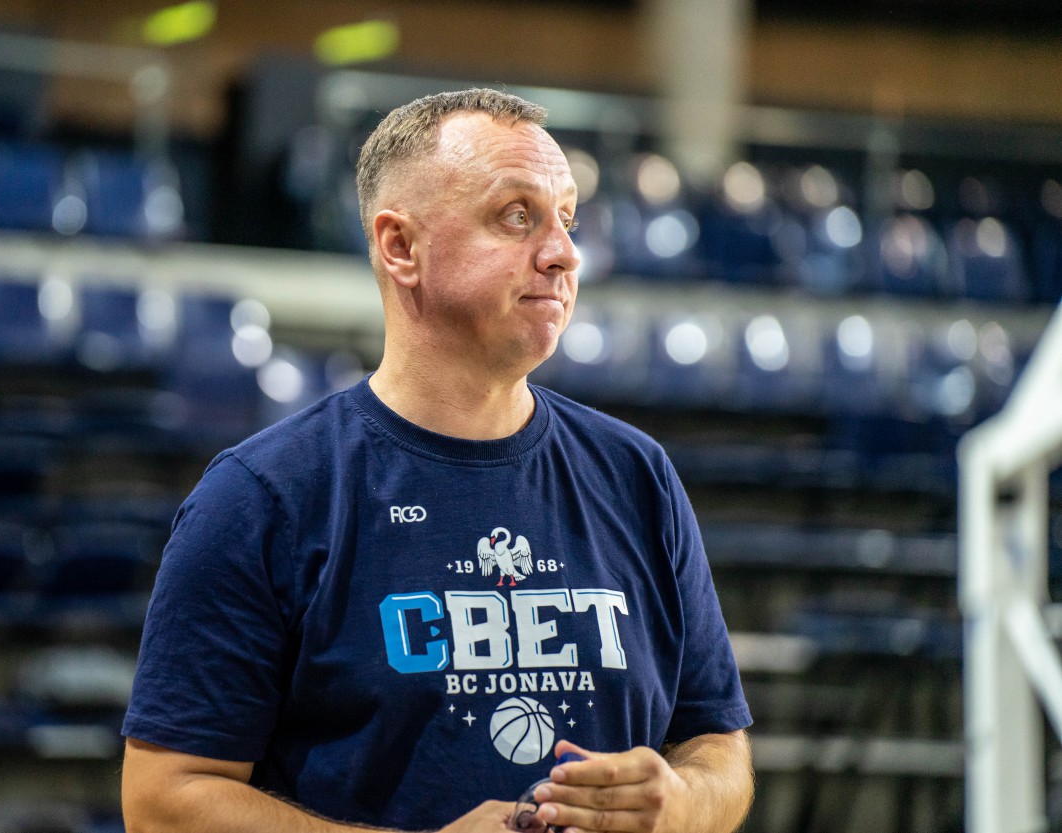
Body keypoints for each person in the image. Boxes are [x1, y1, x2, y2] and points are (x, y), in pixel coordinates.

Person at [121, 88, 754, 833]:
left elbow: (719, 748)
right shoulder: (263, 496)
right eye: (516, 215)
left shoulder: (638, 476)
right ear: (401, 247)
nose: (563, 251)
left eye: (567, 218)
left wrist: (682, 803)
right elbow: (163, 800)